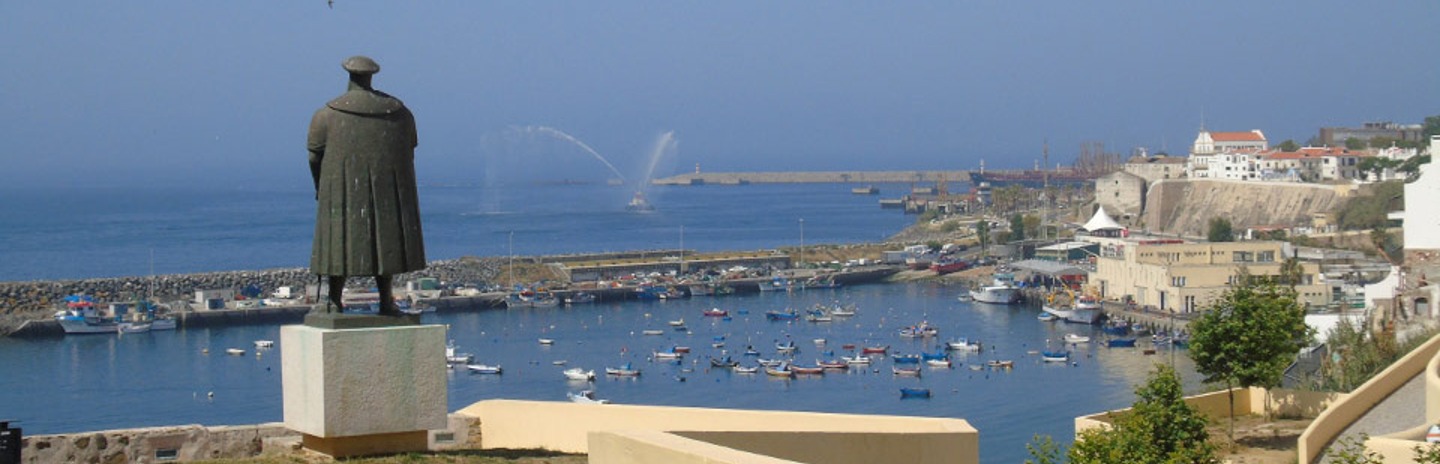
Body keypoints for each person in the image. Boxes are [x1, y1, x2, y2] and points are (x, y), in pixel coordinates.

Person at [307, 56, 425, 316]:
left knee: (340, 240)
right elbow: (409, 153)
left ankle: (333, 300)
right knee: (385, 239)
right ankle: (386, 301)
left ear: (349, 75)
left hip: (342, 192)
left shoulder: (326, 115)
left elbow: (315, 156)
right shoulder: (400, 114)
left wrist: (320, 187)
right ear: (371, 76)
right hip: (387, 193)